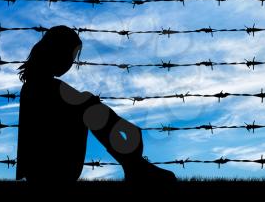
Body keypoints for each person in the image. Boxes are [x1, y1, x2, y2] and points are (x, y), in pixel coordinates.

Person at [16, 25, 176, 184]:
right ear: (56, 52)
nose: (70, 63)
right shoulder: (47, 87)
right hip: (54, 171)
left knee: (87, 106)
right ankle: (135, 166)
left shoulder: (35, 85)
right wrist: (123, 126)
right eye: (70, 55)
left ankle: (135, 166)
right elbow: (88, 105)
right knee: (88, 108)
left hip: (40, 172)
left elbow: (85, 102)